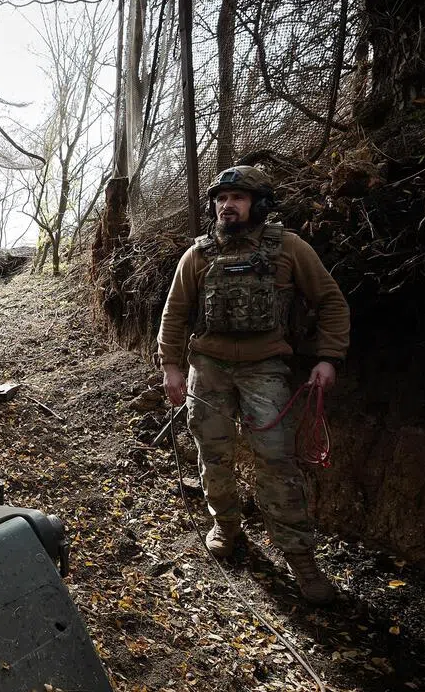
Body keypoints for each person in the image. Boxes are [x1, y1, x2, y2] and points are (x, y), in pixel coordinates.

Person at [158, 164, 350, 605]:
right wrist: (170, 367)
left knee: (277, 461)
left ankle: (299, 556)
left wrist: (328, 357)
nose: (227, 206)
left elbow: (330, 301)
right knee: (213, 453)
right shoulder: (198, 255)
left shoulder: (289, 248)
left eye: (238, 198)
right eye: (221, 199)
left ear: (259, 204)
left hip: (266, 369)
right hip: (208, 369)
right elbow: (174, 313)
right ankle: (225, 525)